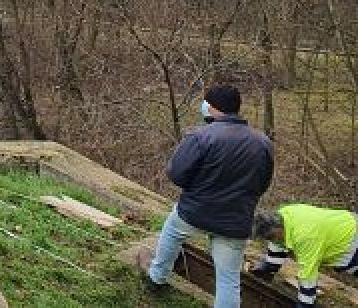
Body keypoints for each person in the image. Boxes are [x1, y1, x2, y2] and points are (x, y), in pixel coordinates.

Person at [146, 84, 274, 308]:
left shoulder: (200, 136)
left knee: (172, 232)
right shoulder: (263, 143)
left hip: (194, 212)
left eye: (206, 102)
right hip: (235, 221)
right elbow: (262, 184)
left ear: (213, 108)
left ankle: (157, 278)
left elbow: (177, 174)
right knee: (228, 279)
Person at [252, 205, 358, 306]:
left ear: (278, 228)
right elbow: (277, 243)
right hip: (344, 224)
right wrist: (270, 267)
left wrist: (304, 303)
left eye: (271, 237)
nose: (272, 240)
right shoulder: (281, 216)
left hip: (352, 240)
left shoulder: (305, 236)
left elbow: (308, 273)